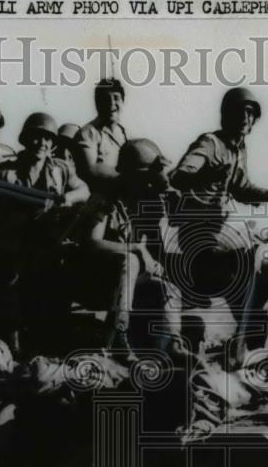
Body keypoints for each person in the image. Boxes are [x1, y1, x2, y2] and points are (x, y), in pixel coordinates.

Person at [168, 87, 268, 358]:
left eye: (250, 113)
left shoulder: (239, 149)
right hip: (199, 231)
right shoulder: (210, 143)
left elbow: (243, 189)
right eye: (240, 112)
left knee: (262, 256)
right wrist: (203, 177)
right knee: (245, 259)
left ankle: (253, 333)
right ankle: (246, 336)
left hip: (222, 230)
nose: (245, 118)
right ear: (226, 115)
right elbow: (178, 176)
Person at [69, 138, 184, 362]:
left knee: (166, 285)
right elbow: (91, 242)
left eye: (148, 179)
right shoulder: (105, 198)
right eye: (141, 177)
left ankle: (172, 343)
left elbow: (176, 219)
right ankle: (117, 338)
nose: (144, 184)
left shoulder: (146, 203)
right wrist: (137, 250)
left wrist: (166, 186)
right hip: (92, 278)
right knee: (130, 261)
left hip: (125, 285)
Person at [72, 78, 127, 194]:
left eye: (116, 98)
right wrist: (129, 177)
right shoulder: (87, 133)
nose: (111, 103)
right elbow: (91, 170)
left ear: (123, 101)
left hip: (122, 193)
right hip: (96, 199)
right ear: (98, 103)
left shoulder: (124, 133)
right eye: (105, 99)